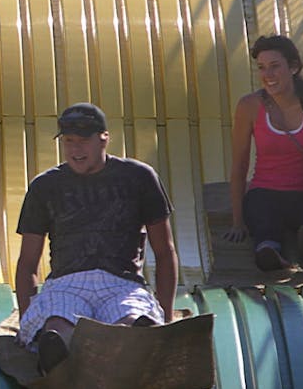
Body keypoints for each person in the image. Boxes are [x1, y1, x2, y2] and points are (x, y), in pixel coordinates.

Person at [13, 103, 179, 373]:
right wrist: (26, 320)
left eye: (84, 141)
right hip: (67, 282)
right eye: (69, 142)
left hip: (121, 283)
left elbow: (164, 251)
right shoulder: (45, 186)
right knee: (57, 324)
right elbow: (28, 262)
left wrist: (167, 314)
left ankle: (130, 346)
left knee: (134, 321)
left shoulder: (138, 177)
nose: (76, 150)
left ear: (104, 138)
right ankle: (58, 357)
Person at [225, 35, 303, 272]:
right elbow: (239, 165)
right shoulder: (249, 106)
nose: (268, 75)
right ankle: (268, 253)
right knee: (264, 220)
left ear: (293, 67)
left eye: (275, 66)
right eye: (262, 68)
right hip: (266, 190)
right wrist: (237, 221)